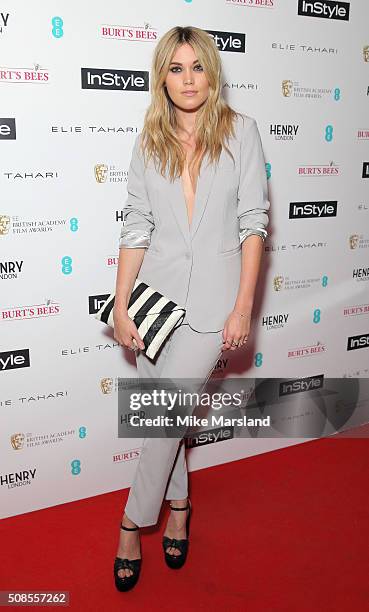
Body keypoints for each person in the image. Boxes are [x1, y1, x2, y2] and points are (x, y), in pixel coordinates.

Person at [112, 25, 270, 591]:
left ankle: (132, 522)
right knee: (165, 417)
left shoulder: (242, 133)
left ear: (212, 71)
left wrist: (243, 308)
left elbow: (254, 225)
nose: (187, 79)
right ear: (163, 76)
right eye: (175, 69)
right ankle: (179, 507)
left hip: (214, 305)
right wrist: (121, 303)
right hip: (153, 299)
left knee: (161, 420)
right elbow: (136, 225)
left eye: (197, 67)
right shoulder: (148, 139)